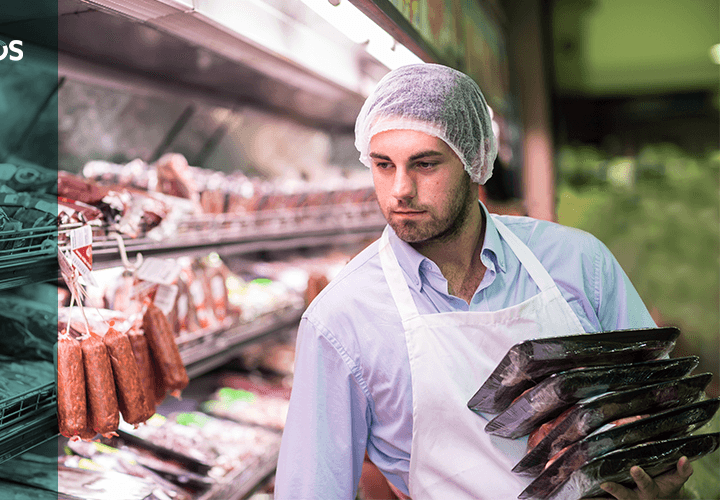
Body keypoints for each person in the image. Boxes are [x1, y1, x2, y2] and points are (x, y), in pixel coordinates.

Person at [273, 64, 694, 500]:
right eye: (384, 165)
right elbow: (310, 489)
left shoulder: (578, 263)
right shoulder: (340, 319)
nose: (400, 189)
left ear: (475, 160)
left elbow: (656, 412)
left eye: (425, 164)